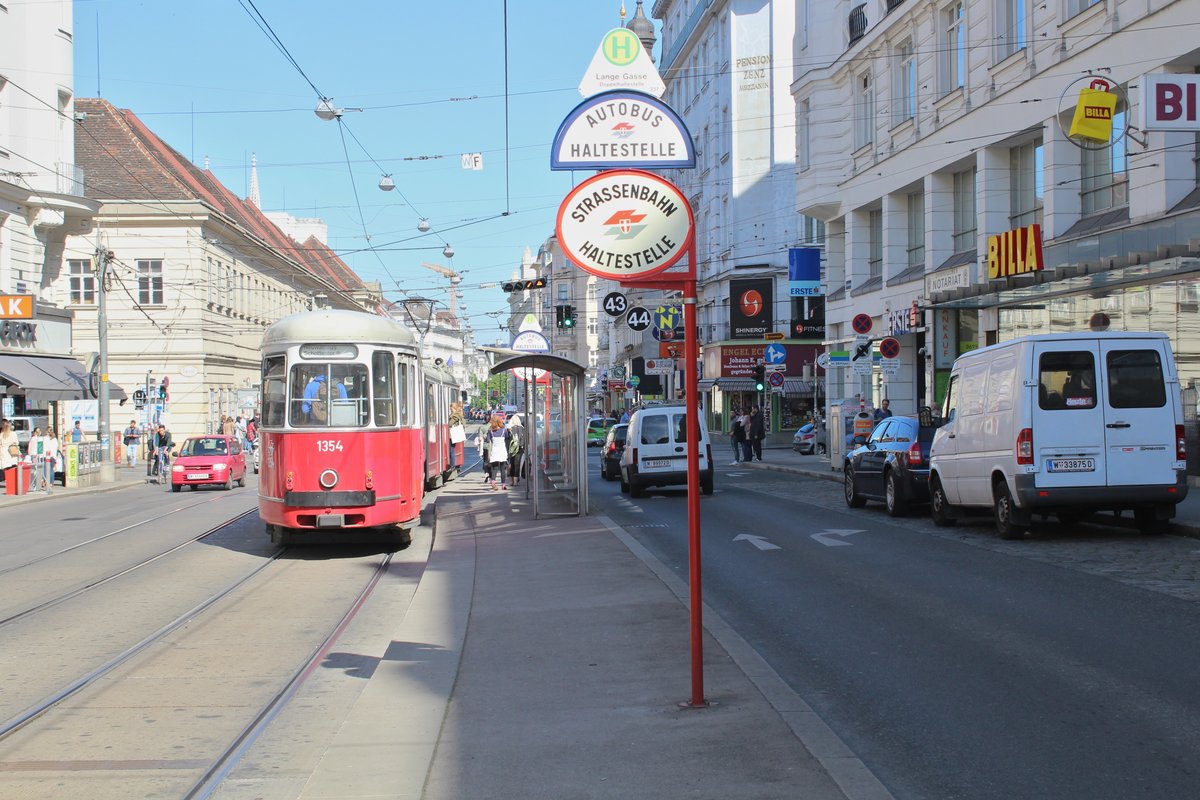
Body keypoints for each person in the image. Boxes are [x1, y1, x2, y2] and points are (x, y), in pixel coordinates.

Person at [485, 415, 512, 490]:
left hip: (495, 451)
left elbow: (487, 440)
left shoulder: (490, 432)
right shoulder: (504, 430)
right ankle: (503, 485)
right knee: (503, 469)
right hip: (502, 451)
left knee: (494, 468)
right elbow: (507, 437)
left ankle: (493, 482)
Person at [506, 413, 525, 486]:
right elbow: (524, 440)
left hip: (511, 449)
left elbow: (507, 440)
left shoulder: (509, 429)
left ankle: (511, 481)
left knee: (512, 464)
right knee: (517, 464)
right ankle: (516, 481)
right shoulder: (522, 428)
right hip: (520, 449)